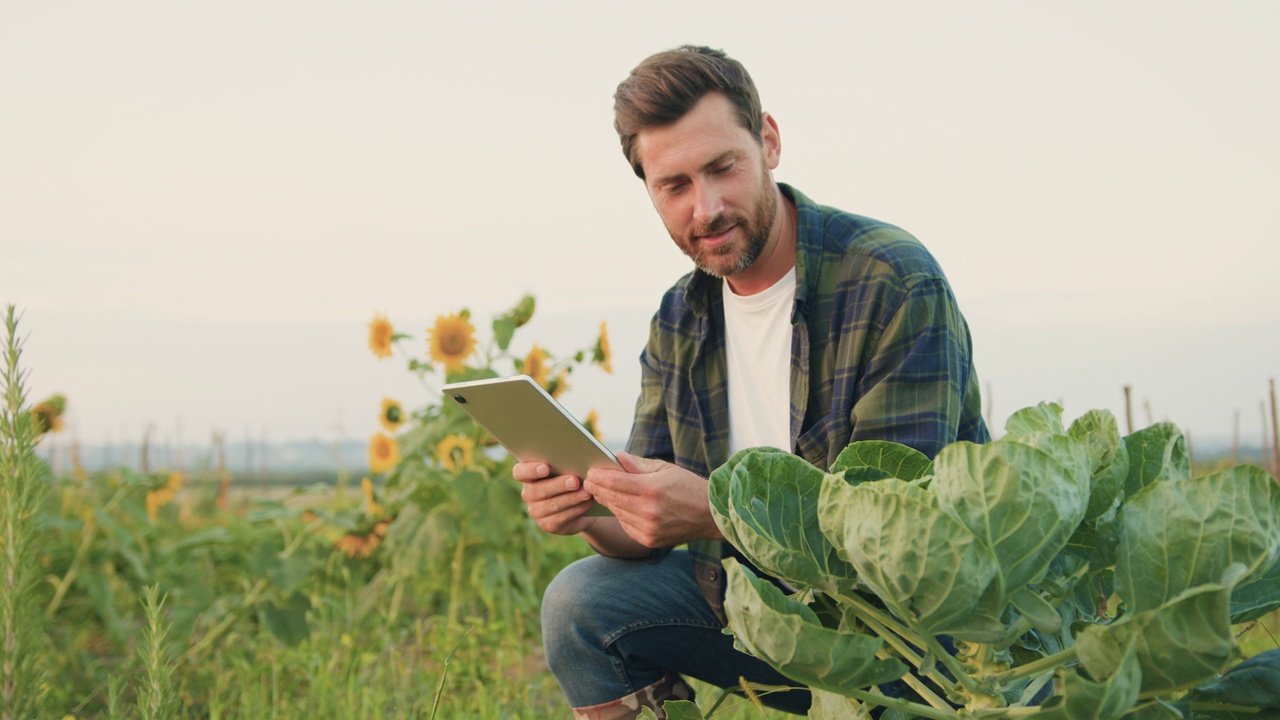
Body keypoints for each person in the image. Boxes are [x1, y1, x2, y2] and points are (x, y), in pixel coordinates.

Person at [512, 45, 989, 719]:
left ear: (768, 141)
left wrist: (716, 512)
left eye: (721, 168)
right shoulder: (681, 315)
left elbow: (901, 536)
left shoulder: (892, 281)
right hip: (756, 612)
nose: (704, 208)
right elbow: (646, 531)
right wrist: (591, 509)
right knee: (581, 603)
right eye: (674, 186)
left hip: (909, 633)